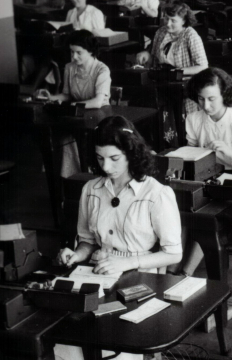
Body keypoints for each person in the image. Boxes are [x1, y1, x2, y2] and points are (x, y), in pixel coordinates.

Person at [54, 116, 181, 360]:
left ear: (131, 153)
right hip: (98, 275)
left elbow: (174, 253)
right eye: (100, 158)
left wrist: (127, 263)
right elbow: (88, 241)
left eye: (114, 159)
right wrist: (75, 254)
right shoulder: (91, 189)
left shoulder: (157, 194)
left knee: (115, 348)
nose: (106, 167)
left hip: (140, 281)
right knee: (67, 346)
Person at [174, 67, 232, 277]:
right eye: (200, 99)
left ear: (225, 95)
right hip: (209, 177)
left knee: (203, 213)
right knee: (179, 206)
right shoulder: (194, 118)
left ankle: (184, 273)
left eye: (212, 99)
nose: (206, 106)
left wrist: (231, 153)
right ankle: (171, 268)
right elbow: (192, 154)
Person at [35, 30, 112, 177]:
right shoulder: (70, 68)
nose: (74, 56)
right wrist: (50, 97)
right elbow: (67, 95)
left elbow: (97, 102)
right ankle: (69, 180)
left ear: (90, 51)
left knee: (73, 139)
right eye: (71, 52)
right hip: (77, 115)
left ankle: (81, 176)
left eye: (78, 52)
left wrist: (70, 106)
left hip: (99, 118)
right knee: (62, 138)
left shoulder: (102, 70)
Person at [135, 1, 208, 113]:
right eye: (166, 18)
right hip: (162, 82)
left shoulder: (191, 35)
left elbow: (203, 67)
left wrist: (177, 72)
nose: (168, 23)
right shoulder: (161, 32)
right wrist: (146, 54)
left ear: (184, 21)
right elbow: (154, 58)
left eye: (173, 21)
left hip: (182, 87)